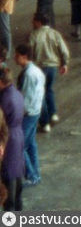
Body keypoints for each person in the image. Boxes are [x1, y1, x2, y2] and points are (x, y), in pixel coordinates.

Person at [27, 14, 68, 134]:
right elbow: (63, 50)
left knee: (40, 94)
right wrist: (64, 63)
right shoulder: (55, 33)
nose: (32, 23)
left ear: (38, 22)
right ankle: (53, 113)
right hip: (53, 67)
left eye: (34, 21)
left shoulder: (34, 35)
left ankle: (45, 123)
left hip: (40, 67)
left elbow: (30, 52)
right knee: (49, 89)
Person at [13, 45, 43, 186]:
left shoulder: (29, 75)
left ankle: (31, 175)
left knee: (19, 145)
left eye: (17, 55)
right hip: (35, 111)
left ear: (24, 57)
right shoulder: (36, 71)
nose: (15, 58)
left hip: (28, 114)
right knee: (30, 144)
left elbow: (26, 97)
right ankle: (35, 174)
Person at [0, 66, 25, 210]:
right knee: (17, 174)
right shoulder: (16, 93)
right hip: (18, 134)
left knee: (8, 176)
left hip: (8, 138)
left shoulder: (5, 98)